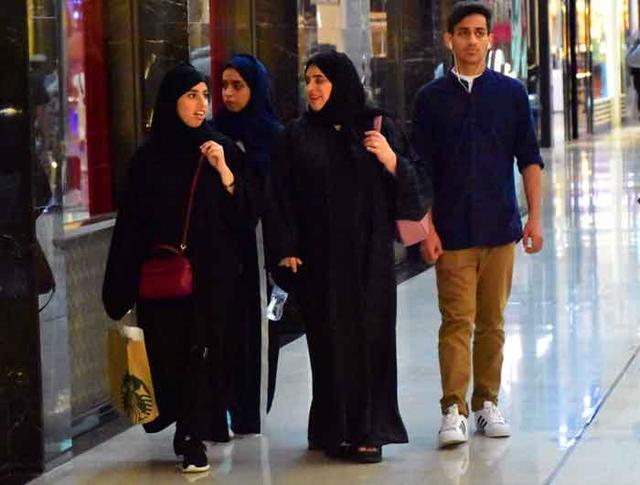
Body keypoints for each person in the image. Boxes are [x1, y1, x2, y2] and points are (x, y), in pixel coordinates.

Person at [266, 50, 430, 463]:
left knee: (371, 343)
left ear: (340, 83)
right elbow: (279, 196)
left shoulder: (376, 127)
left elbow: (416, 186)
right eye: (308, 80)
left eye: (321, 80)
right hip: (319, 263)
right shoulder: (296, 136)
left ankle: (368, 430)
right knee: (326, 345)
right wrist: (285, 249)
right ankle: (333, 428)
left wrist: (390, 160)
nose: (313, 88)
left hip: (370, 262)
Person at [412, 1, 544, 449]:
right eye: (464, 32)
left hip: (501, 228)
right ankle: (453, 409)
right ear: (449, 39)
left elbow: (530, 160)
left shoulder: (510, 94)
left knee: (492, 323)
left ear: (490, 39)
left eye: (480, 32)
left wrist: (534, 218)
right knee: (456, 322)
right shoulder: (430, 99)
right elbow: (420, 171)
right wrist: (427, 229)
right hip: (452, 233)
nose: (472, 40)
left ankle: (487, 402)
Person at [103, 64, 246, 473]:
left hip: (210, 277)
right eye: (191, 95)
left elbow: (246, 211)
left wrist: (226, 173)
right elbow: (131, 226)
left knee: (202, 353)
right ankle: (184, 426)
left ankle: (191, 437)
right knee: (167, 355)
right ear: (172, 102)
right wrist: (120, 285)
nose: (202, 104)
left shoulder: (219, 149)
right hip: (162, 280)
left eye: (205, 95)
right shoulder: (147, 160)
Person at [213, 54, 283, 432]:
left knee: (257, 330)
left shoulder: (273, 136)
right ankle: (222, 407)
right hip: (221, 247)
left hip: (259, 249)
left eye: (237, 86)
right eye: (224, 85)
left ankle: (250, 412)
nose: (228, 93)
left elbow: (279, 196)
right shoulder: (213, 133)